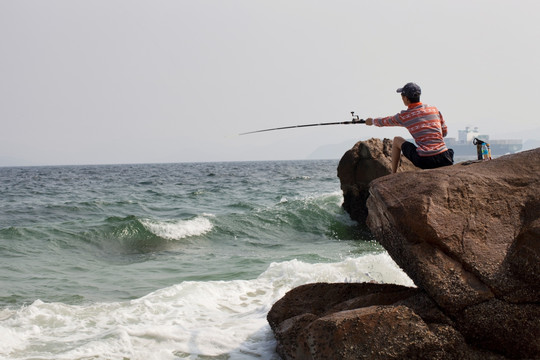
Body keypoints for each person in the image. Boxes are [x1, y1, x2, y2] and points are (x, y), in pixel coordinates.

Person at [365, 82, 454, 173]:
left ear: (406, 99)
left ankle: (393, 174)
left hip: (425, 160)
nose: (402, 99)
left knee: (396, 140)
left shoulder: (404, 116)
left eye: (402, 97)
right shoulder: (434, 110)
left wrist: (371, 121)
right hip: (445, 158)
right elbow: (444, 133)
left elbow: (384, 121)